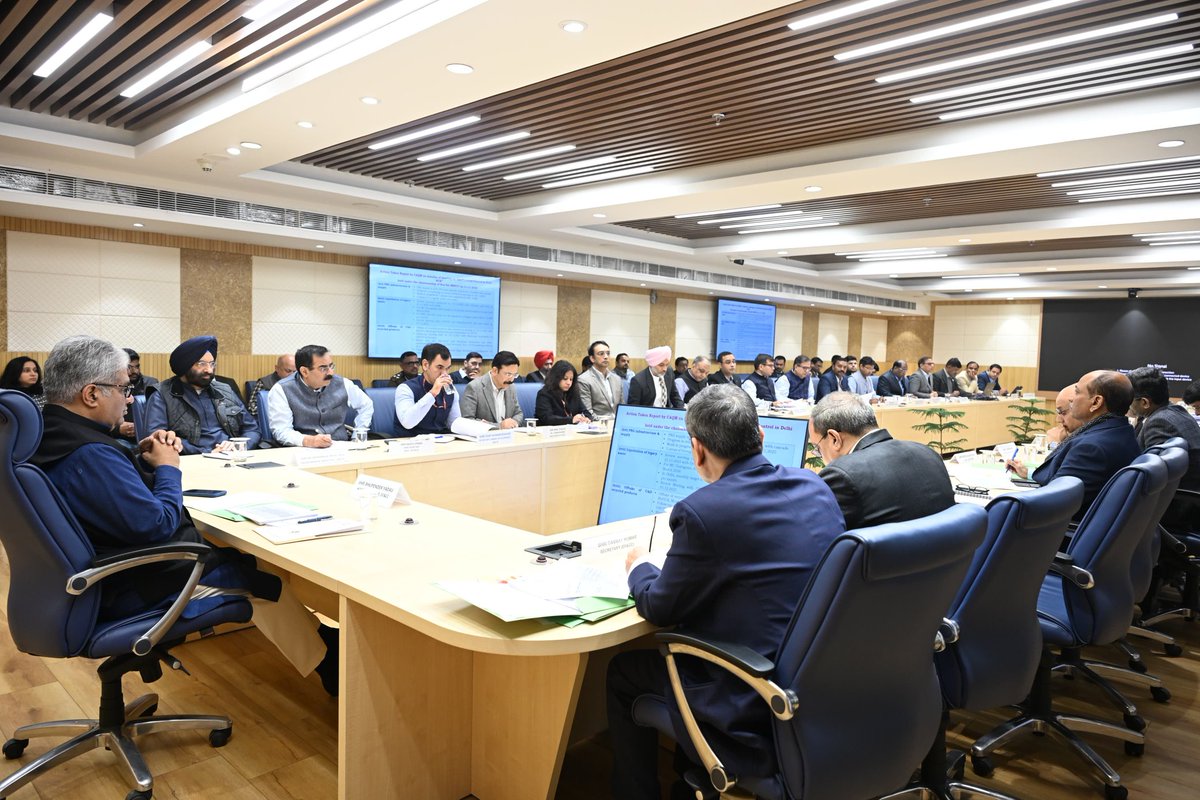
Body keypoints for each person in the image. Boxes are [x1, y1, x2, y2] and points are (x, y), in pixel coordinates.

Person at [31, 336, 338, 696]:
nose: (130, 399)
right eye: (123, 388)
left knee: (249, 566)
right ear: (91, 394)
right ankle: (329, 665)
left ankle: (320, 642)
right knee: (258, 577)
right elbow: (157, 525)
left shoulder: (48, 433)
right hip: (130, 584)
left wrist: (137, 459)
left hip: (79, 579)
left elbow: (107, 494)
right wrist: (168, 468)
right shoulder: (91, 454)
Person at [606, 385, 845, 800]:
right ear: (762, 437)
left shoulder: (702, 512)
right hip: (823, 683)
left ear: (697, 450)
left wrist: (639, 567)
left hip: (754, 695)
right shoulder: (815, 486)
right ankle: (689, 772)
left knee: (622, 672)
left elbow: (658, 608)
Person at [1007, 370, 1140, 519]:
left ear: (1096, 402)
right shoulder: (1119, 430)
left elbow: (1055, 501)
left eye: (1077, 393)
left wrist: (1005, 503)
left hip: (1062, 533)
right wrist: (1030, 474)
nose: (1072, 401)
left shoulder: (1091, 448)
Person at [813, 392, 954, 530]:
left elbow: (818, 535)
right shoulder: (928, 453)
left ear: (834, 439)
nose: (818, 453)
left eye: (817, 447)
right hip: (949, 551)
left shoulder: (841, 474)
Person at [144, 335, 260, 455]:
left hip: (232, 457)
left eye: (212, 364)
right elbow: (157, 439)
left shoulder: (225, 390)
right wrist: (208, 452)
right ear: (185, 366)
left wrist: (237, 446)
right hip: (191, 461)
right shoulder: (161, 394)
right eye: (201, 364)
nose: (209, 370)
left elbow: (252, 429)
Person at [268, 344, 373, 447]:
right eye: (323, 369)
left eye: (331, 366)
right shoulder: (281, 389)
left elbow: (366, 405)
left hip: (341, 447)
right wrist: (308, 440)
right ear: (304, 371)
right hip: (302, 451)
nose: (330, 373)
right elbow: (281, 430)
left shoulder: (343, 383)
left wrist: (358, 436)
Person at [1128, 366, 1200, 490]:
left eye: (1130, 399)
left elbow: (1154, 479)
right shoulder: (1176, 410)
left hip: (1181, 502)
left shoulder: (1160, 423)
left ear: (1145, 402)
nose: (1127, 403)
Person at [394, 342, 462, 437]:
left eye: (447, 368)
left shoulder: (450, 389)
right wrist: (433, 393)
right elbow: (407, 422)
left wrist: (478, 427)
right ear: (425, 365)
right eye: (439, 367)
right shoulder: (405, 388)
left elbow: (454, 422)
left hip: (441, 442)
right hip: (411, 443)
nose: (444, 374)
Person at [460, 351, 524, 429]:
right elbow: (467, 421)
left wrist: (513, 423)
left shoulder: (511, 387)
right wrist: (499, 426)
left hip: (509, 436)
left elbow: (518, 413)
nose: (512, 379)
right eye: (508, 374)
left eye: (515, 374)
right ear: (495, 371)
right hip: (484, 438)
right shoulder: (474, 387)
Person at [577, 340, 625, 418]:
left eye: (608, 353)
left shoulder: (617, 379)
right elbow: (588, 412)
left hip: (617, 424)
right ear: (592, 358)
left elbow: (622, 407)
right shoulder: (584, 379)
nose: (606, 357)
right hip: (597, 426)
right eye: (601, 354)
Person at [534, 360, 591, 425]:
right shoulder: (544, 394)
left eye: (571, 379)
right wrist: (571, 420)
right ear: (556, 378)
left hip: (572, 431)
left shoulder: (573, 393)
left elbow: (586, 412)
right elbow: (547, 418)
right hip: (550, 432)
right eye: (565, 378)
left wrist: (586, 418)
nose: (568, 383)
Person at [247, 353, 296, 417]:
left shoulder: (298, 382)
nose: (292, 375)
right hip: (273, 421)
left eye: (295, 372)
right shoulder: (264, 383)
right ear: (277, 368)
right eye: (288, 371)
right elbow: (252, 409)